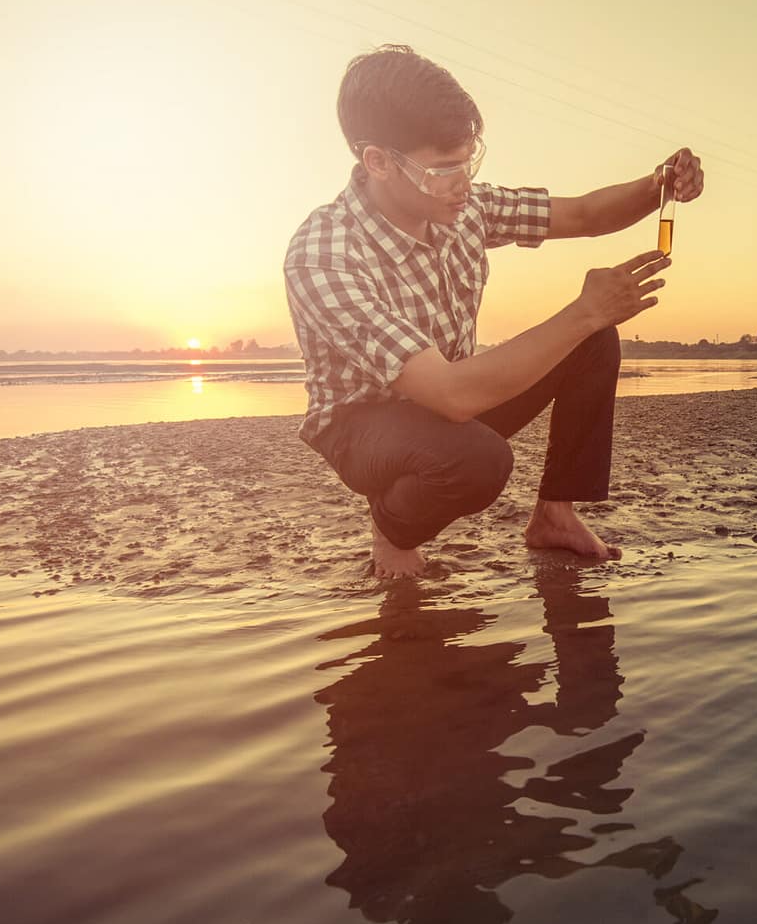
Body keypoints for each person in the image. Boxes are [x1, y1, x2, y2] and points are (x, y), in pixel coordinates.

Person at [284, 45, 703, 578]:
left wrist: (657, 186)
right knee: (478, 461)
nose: (463, 181)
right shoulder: (325, 254)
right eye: (444, 167)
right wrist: (582, 310)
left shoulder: (463, 206)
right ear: (379, 162)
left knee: (593, 340)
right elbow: (453, 395)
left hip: (449, 393)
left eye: (469, 160)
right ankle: (392, 533)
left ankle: (555, 515)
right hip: (364, 422)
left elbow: (583, 214)